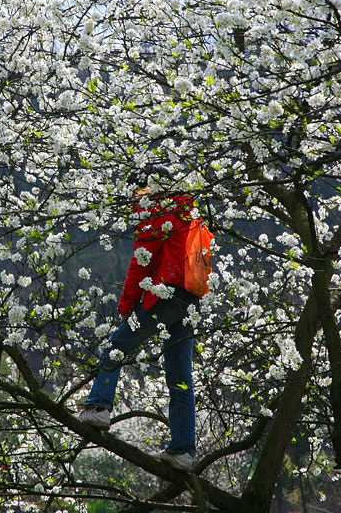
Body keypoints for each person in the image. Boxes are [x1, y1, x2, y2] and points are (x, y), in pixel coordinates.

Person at [76, 174, 205, 473]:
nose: (135, 204)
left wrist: (125, 305)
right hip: (189, 298)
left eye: (136, 197)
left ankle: (98, 407)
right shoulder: (189, 212)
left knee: (118, 346)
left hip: (165, 295)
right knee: (180, 375)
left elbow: (141, 262)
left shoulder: (157, 212)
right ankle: (183, 451)